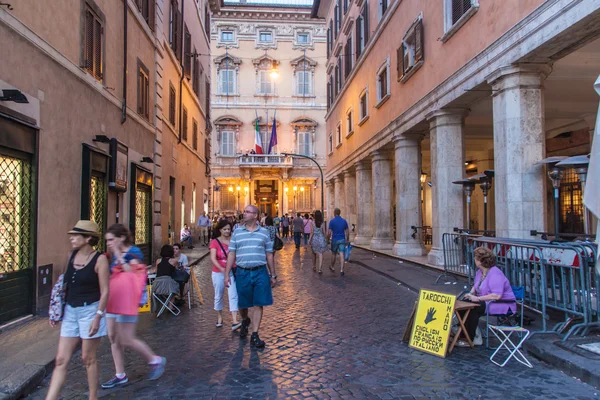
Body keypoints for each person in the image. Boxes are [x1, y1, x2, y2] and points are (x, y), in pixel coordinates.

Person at [46, 221, 109, 400]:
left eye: (76, 235)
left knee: (87, 358)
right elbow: (63, 286)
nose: (72, 238)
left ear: (88, 238)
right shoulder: (70, 256)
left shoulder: (100, 259)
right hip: (70, 312)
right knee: (60, 360)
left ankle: (92, 397)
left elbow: (105, 291)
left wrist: (98, 316)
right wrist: (55, 311)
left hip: (90, 311)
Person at [101, 224, 166, 389]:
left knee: (127, 338)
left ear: (121, 237)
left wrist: (118, 255)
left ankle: (154, 359)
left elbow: (132, 273)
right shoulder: (111, 254)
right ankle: (120, 374)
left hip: (127, 300)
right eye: (107, 240)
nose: (108, 242)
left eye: (111, 239)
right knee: (113, 337)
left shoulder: (134, 252)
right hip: (113, 299)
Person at [224, 205, 276, 348]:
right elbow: (232, 253)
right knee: (243, 303)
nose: (244, 214)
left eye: (247, 212)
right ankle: (245, 319)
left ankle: (255, 334)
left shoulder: (264, 233)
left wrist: (273, 274)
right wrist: (226, 274)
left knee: (259, 303)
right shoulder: (237, 233)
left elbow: (269, 254)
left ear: (255, 216)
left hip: (260, 271)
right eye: (244, 211)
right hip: (242, 272)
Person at [459, 247, 517, 347]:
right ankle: (467, 334)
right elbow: (476, 285)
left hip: (502, 304)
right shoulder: (479, 272)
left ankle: (471, 338)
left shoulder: (495, 273)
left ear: (481, 261)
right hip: (486, 302)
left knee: (474, 307)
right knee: (463, 303)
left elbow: (497, 295)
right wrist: (470, 294)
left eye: (476, 258)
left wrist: (477, 298)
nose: (474, 260)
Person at [209, 220, 240, 330]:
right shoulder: (214, 242)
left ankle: (235, 320)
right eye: (225, 229)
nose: (227, 231)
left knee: (233, 294)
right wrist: (222, 268)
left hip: (232, 271)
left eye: (228, 229)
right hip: (218, 272)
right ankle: (219, 316)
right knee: (219, 295)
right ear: (220, 230)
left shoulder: (233, 240)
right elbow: (213, 258)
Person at [328, 208, 349, 276]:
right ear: (339, 213)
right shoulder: (344, 221)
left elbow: (329, 232)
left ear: (334, 213)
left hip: (335, 239)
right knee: (342, 254)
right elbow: (347, 231)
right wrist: (347, 239)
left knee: (333, 253)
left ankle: (332, 266)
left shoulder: (332, 221)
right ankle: (342, 270)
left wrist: (328, 239)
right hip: (342, 239)